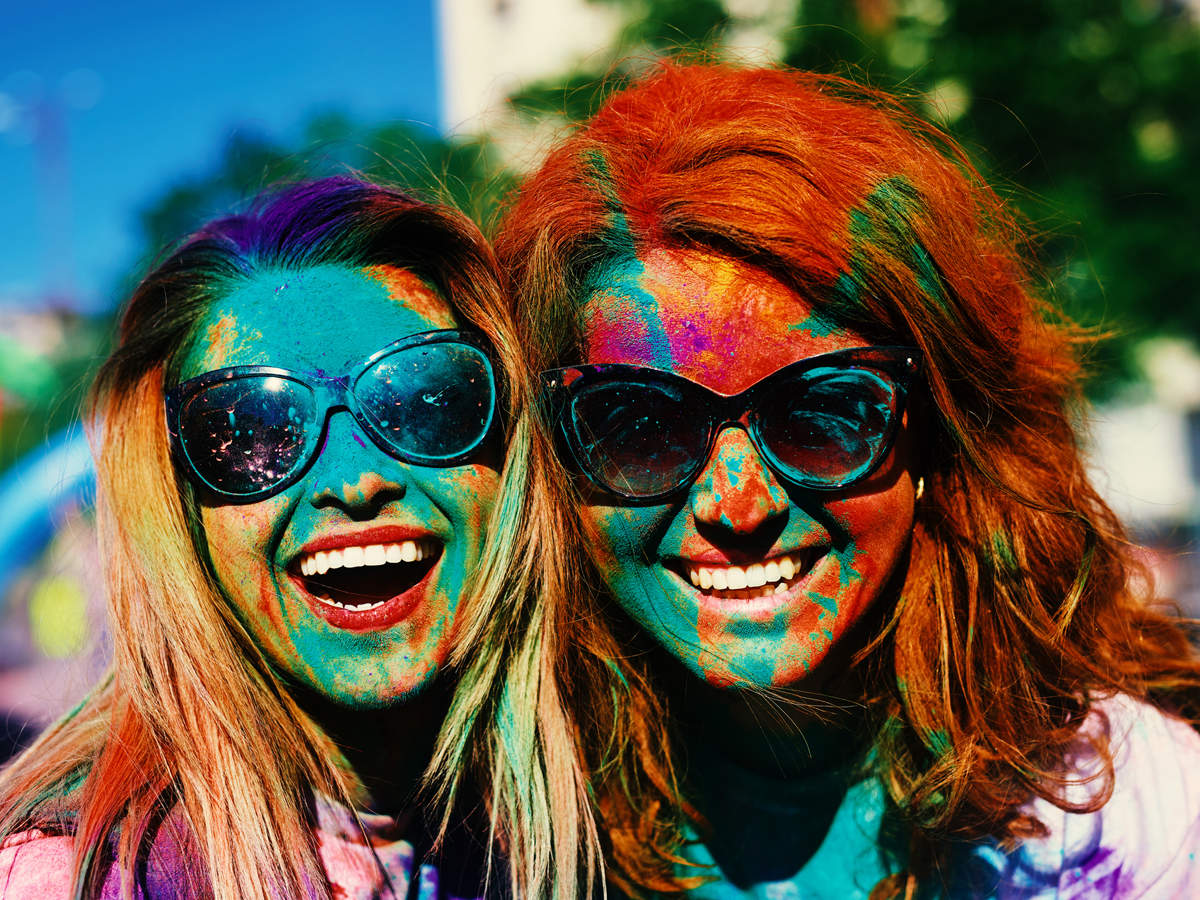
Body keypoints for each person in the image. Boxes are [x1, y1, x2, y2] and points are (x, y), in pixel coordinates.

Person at [485, 62, 1200, 897]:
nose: (736, 505)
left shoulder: (1147, 826)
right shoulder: (480, 837)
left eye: (821, 416)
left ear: (940, 437)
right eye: (644, 428)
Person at [0, 176, 527, 899]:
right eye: (251, 432)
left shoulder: (584, 833)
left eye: (424, 398)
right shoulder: (73, 878)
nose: (353, 480)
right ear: (179, 514)